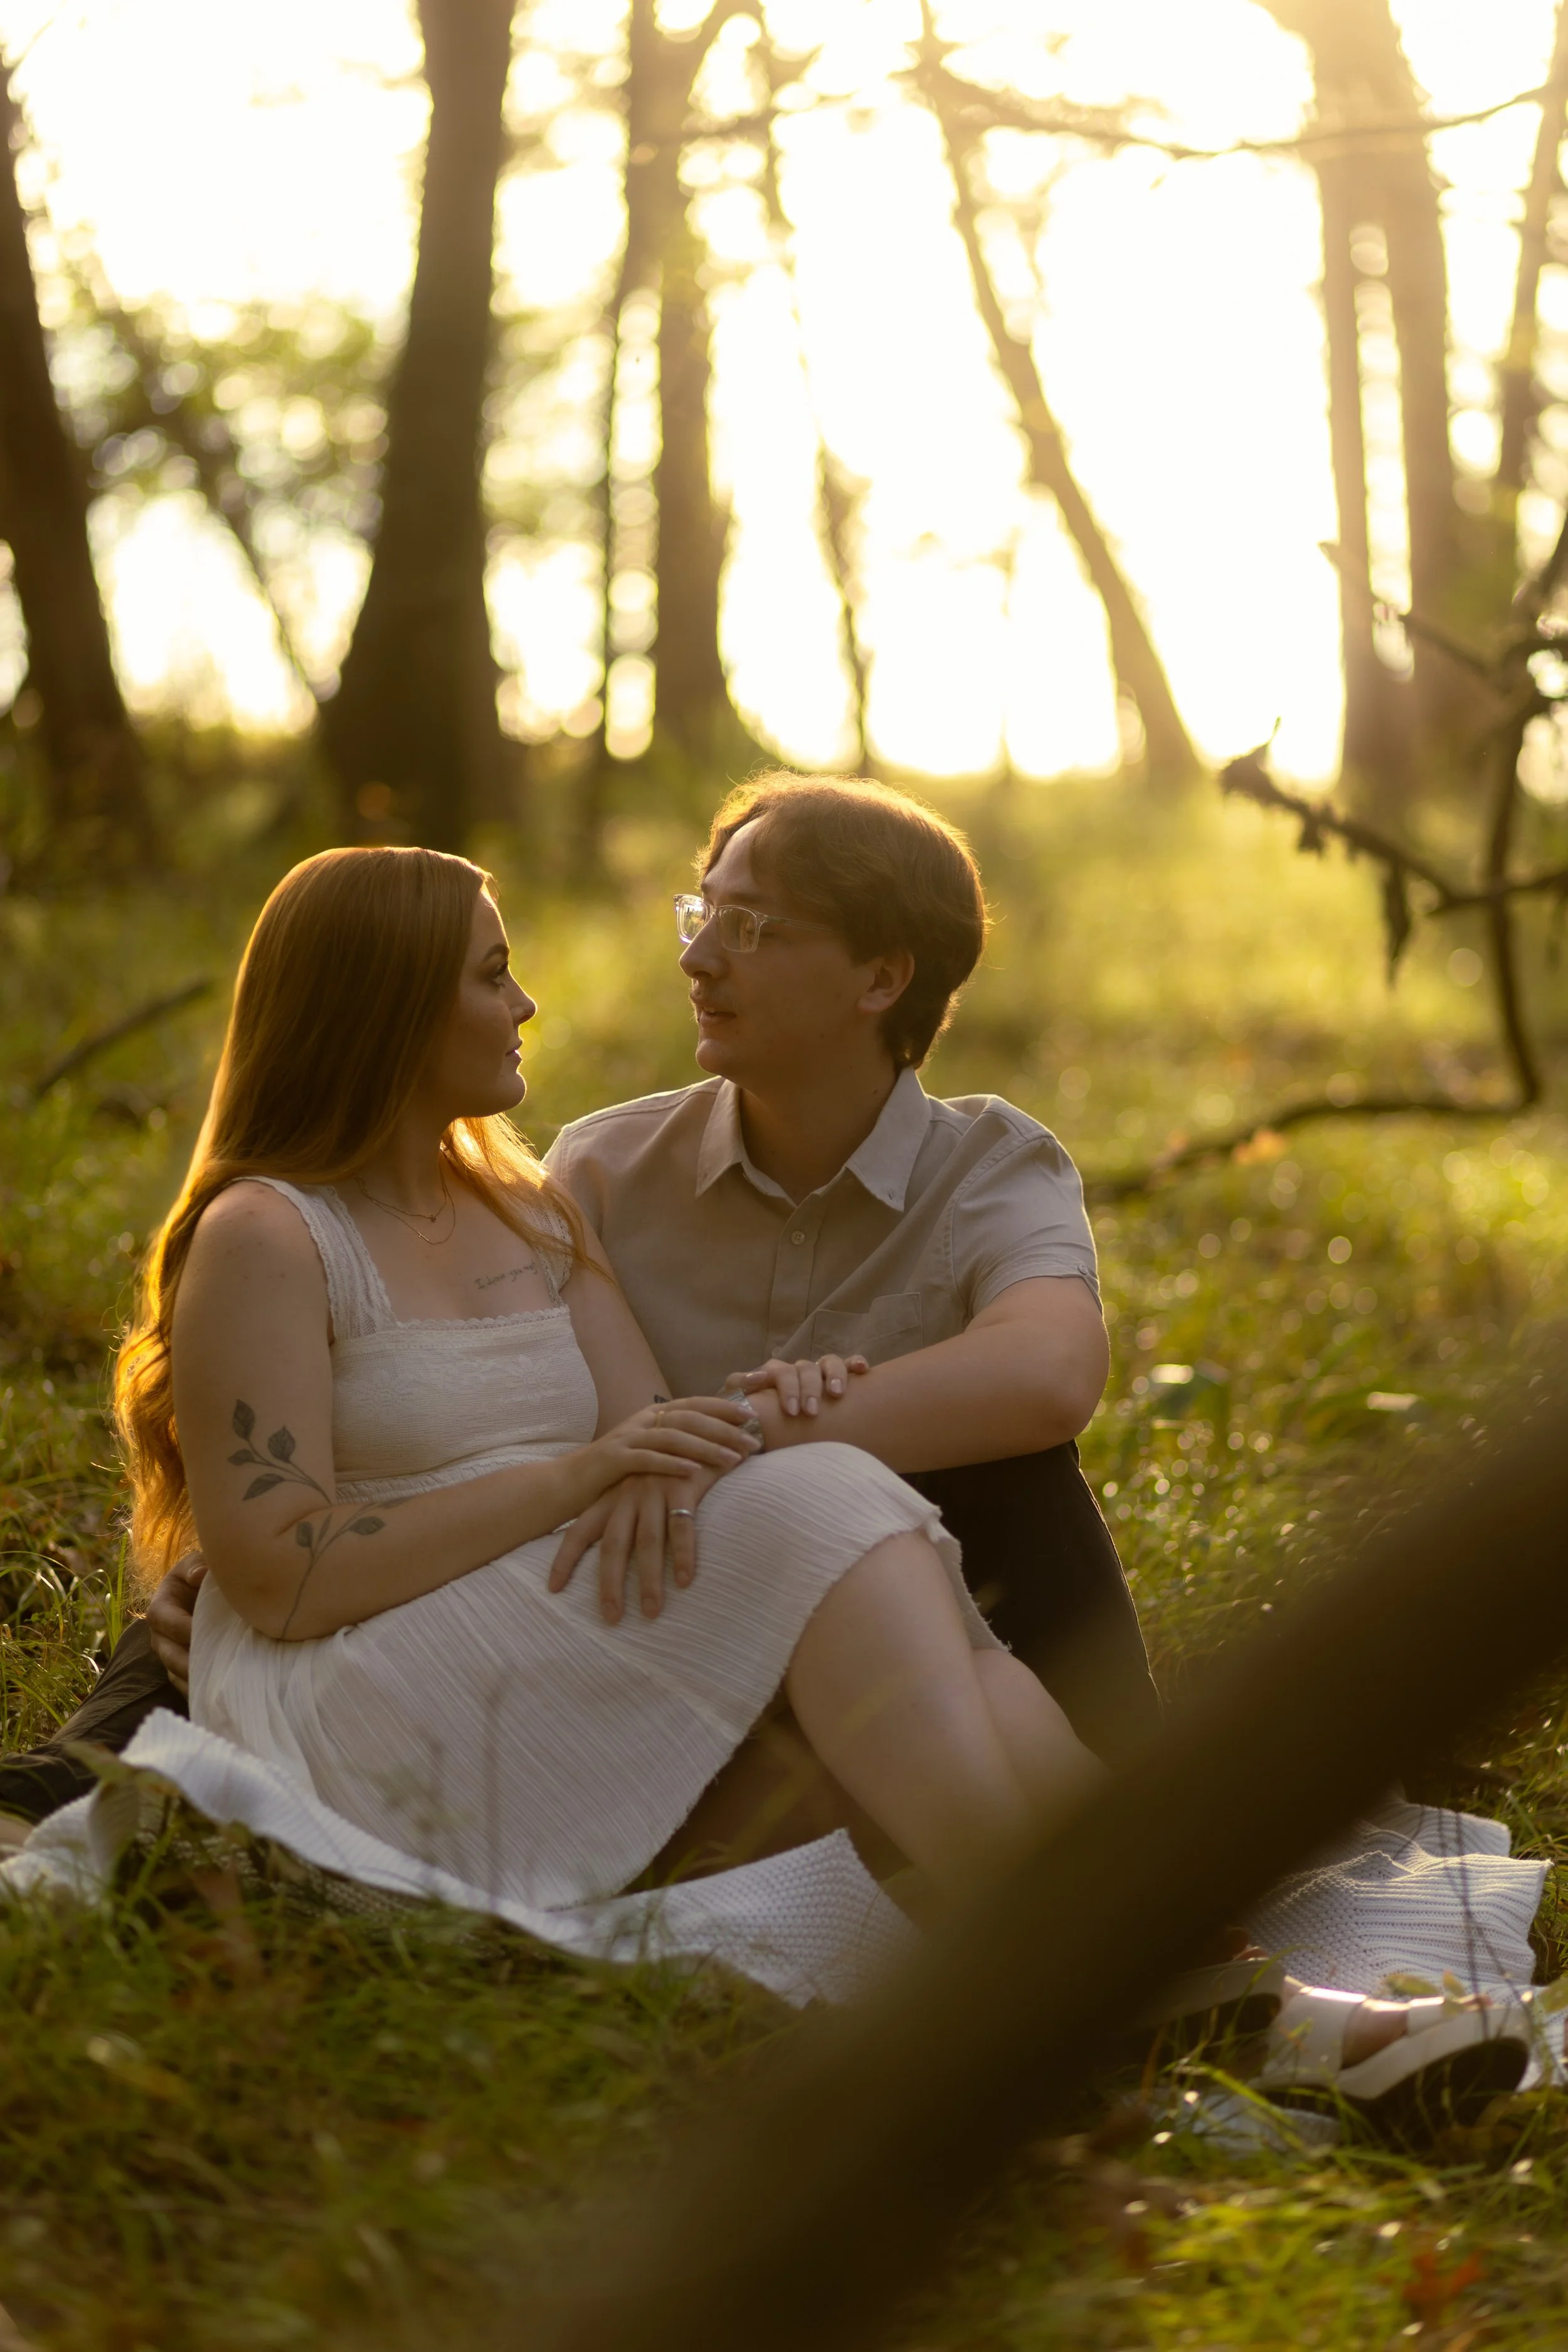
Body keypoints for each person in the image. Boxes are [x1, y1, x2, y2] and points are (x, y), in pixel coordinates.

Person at [3, 774, 1157, 1830]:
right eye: (702, 914)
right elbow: (447, 1416)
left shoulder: (990, 1165)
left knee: (961, 1485)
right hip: (616, 1582)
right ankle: (71, 1774)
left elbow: (1048, 1375)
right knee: (830, 1523)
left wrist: (764, 1422)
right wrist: (237, 1572)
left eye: (751, 928)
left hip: (844, 1562)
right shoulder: (596, 1171)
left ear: (881, 978)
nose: (697, 958)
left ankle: (1141, 1877)